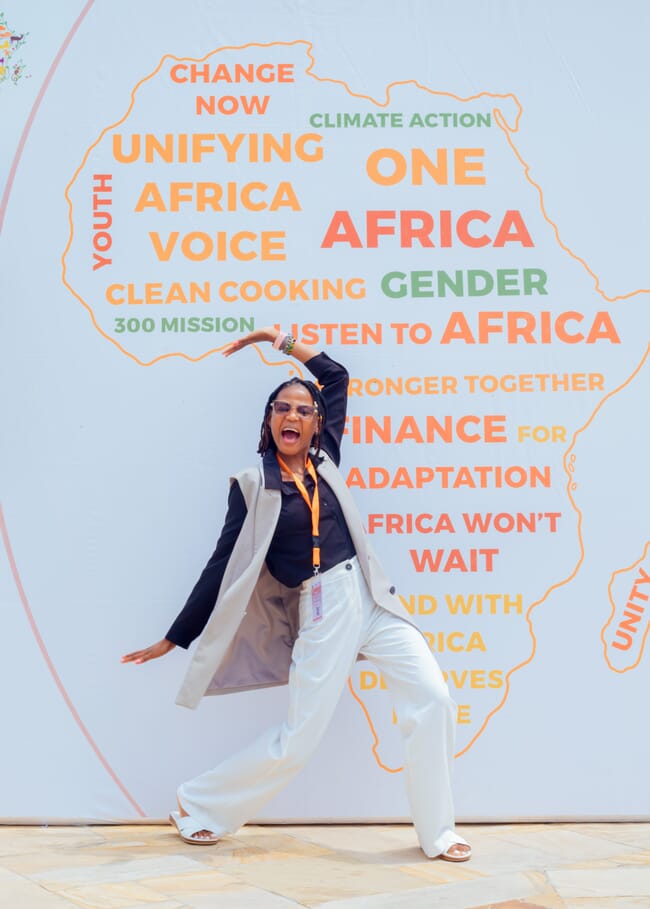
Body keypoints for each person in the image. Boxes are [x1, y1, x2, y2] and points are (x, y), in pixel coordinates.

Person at [122, 326, 471, 862]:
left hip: (371, 594)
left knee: (434, 697)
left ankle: (439, 832)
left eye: (304, 410)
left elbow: (335, 375)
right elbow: (222, 567)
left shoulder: (324, 458)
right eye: (282, 408)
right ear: (269, 420)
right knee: (300, 737)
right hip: (323, 605)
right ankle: (199, 804)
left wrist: (276, 339)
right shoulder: (252, 485)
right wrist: (175, 636)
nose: (294, 416)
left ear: (317, 424)